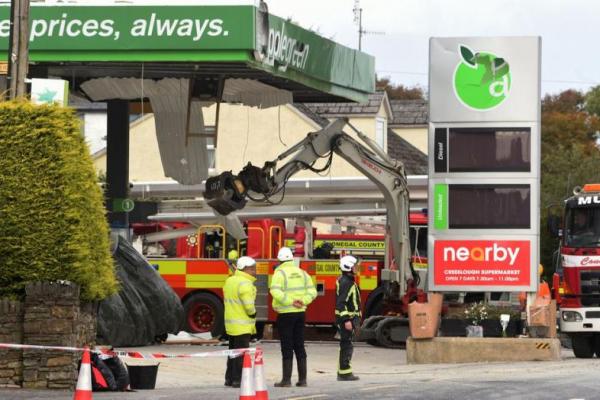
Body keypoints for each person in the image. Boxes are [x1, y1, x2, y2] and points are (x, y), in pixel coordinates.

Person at [269, 247, 317, 387]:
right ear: (291, 258)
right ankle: (303, 380)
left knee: (287, 346)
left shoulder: (279, 273)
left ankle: (286, 380)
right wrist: (303, 301)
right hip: (300, 313)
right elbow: (312, 292)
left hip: (285, 314)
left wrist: (290, 302)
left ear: (280, 259)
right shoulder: (302, 272)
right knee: (299, 345)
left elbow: (275, 291)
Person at [223, 256, 257, 388]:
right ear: (245, 269)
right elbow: (248, 305)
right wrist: (253, 313)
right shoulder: (245, 283)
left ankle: (229, 378)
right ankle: (238, 380)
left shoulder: (230, 281)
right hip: (242, 325)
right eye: (252, 269)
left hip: (231, 324)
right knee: (241, 354)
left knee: (232, 353)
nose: (255, 271)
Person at [335, 255, 361, 381]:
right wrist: (346, 320)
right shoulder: (346, 283)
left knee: (346, 344)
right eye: (355, 266)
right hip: (347, 319)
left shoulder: (347, 281)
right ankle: (344, 373)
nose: (357, 268)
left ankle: (344, 371)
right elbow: (341, 303)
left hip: (348, 319)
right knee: (346, 345)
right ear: (348, 267)